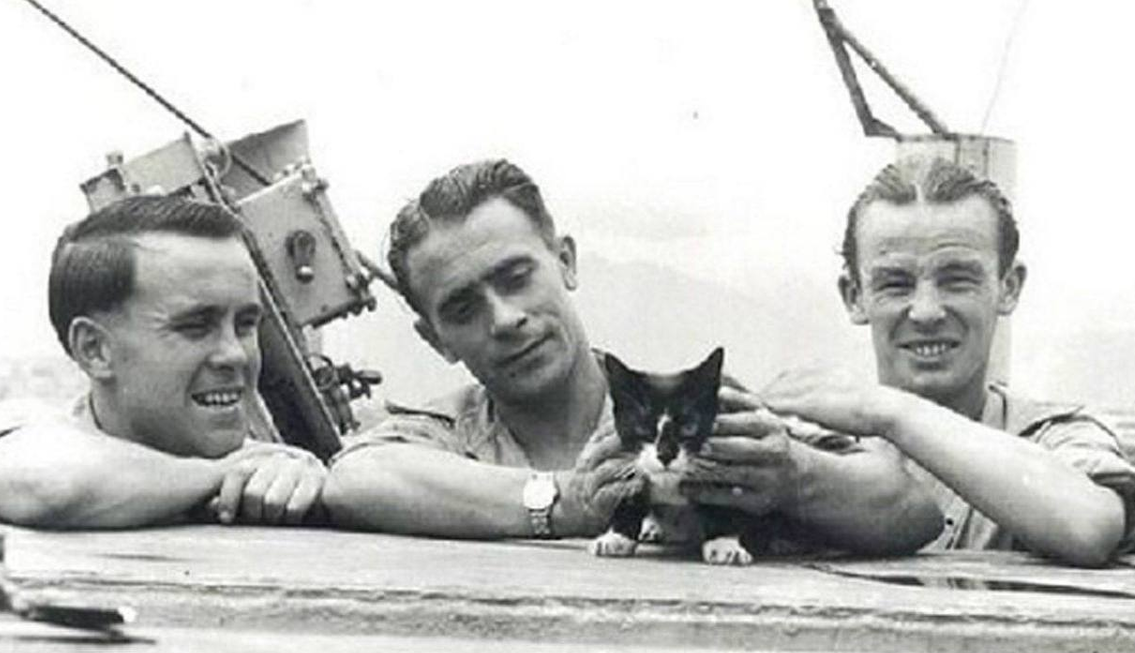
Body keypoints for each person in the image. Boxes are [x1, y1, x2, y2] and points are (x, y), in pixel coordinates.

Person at [322, 159, 942, 554]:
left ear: (566, 262)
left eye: (516, 277)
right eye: (462, 308)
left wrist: (793, 476)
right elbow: (357, 477)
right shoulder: (443, 435)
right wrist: (569, 501)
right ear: (435, 339)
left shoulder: (692, 409)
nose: (505, 318)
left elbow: (909, 508)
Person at [760, 156, 1135, 566]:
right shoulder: (799, 441)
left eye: (957, 280)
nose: (926, 312)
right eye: (896, 284)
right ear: (854, 296)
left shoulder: (1054, 437)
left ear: (1008, 287)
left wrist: (888, 412)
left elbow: (1090, 525)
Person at [0, 196, 325, 529]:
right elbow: (51, 487)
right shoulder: (25, 431)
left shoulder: (268, 465)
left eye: (245, 324)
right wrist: (225, 474)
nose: (235, 354)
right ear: (94, 349)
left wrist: (296, 475)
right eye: (195, 326)